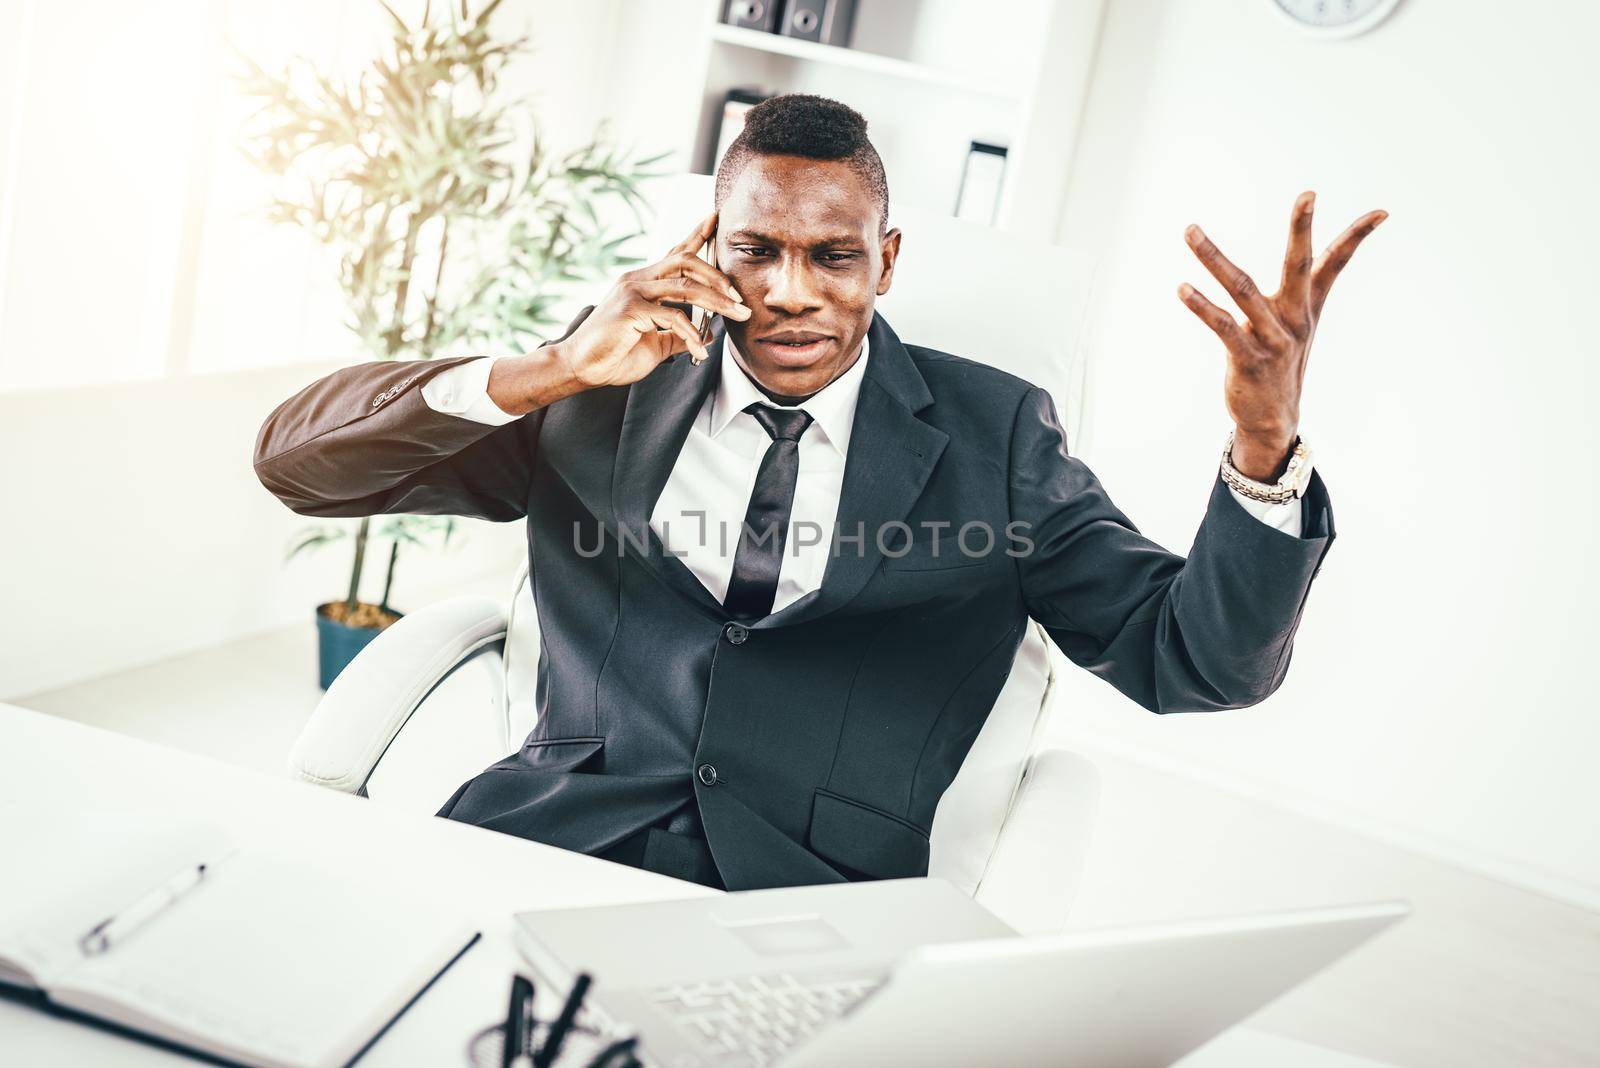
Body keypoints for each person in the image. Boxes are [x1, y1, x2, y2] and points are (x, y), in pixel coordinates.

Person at [253, 94, 1384, 891]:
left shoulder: (993, 437)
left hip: (811, 897)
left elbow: (1193, 663)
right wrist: (550, 370)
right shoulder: (606, 389)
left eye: (832, 257)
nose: (791, 294)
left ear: (885, 261)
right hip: (546, 844)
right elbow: (298, 466)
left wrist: (1260, 445)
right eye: (755, 250)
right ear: (708, 245)